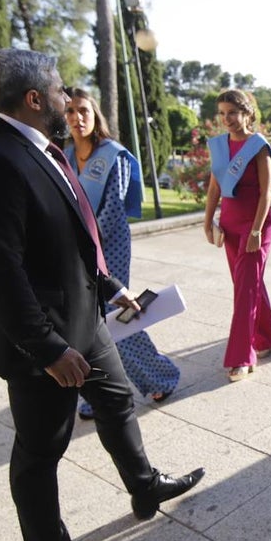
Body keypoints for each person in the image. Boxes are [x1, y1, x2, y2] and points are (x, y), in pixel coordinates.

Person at [0, 49, 204, 541]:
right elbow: (0, 272)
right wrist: (46, 349)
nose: (69, 99)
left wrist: (112, 288)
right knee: (41, 449)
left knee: (116, 399)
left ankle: (144, 485)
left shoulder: (45, 148)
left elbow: (71, 236)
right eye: (61, 90)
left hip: (85, 319)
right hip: (42, 340)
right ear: (34, 98)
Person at [62, 88, 179, 420]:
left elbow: (113, 210)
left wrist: (82, 243)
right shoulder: (66, 156)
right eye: (70, 111)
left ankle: (161, 376)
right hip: (74, 249)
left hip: (107, 245)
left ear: (95, 114)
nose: (76, 117)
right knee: (85, 322)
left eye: (83, 110)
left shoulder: (113, 155)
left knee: (115, 316)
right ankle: (99, 393)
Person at [203, 89, 271, 381]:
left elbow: (267, 193)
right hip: (231, 225)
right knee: (249, 284)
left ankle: (241, 357)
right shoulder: (220, 146)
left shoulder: (258, 146)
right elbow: (214, 188)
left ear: (247, 113)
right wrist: (208, 221)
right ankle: (269, 336)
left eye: (232, 113)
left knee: (244, 291)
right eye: (222, 114)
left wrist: (257, 230)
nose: (227, 119)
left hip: (256, 225)